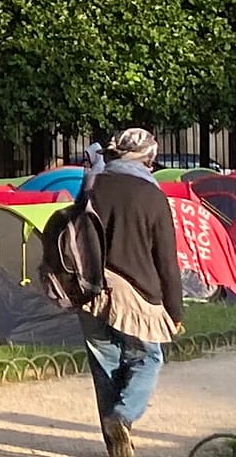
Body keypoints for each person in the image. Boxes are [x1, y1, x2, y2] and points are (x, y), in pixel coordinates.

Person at [78, 129, 182, 457]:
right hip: (136, 294)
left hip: (90, 292)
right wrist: (174, 311)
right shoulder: (152, 196)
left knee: (106, 367)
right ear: (147, 160)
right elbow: (166, 261)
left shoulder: (93, 184)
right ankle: (121, 417)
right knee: (148, 358)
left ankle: (116, 445)